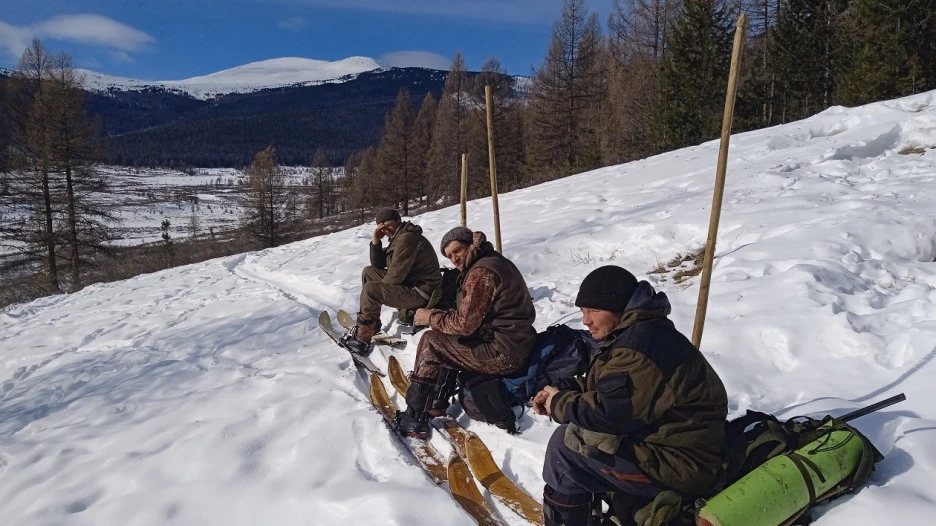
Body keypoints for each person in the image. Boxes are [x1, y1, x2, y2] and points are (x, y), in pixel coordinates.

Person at [533, 265, 728, 526]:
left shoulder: (640, 346)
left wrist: (559, 402)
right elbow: (615, 390)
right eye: (583, 311)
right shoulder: (639, 333)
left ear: (618, 308)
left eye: (594, 310)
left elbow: (610, 414)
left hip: (682, 464)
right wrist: (565, 391)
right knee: (580, 434)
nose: (586, 320)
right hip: (668, 446)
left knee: (566, 447)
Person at [396, 226, 537, 439]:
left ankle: (414, 418)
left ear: (471, 245)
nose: (455, 258)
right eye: (450, 256)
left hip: (504, 354)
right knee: (448, 336)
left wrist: (430, 317)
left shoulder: (481, 273)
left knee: (431, 341)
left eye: (457, 251)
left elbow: (464, 325)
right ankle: (436, 402)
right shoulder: (493, 261)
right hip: (516, 343)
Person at [340, 208, 441, 355]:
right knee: (369, 272)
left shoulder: (406, 238)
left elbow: (395, 277)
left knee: (371, 289)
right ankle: (372, 325)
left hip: (422, 293)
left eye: (386, 223)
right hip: (411, 285)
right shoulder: (399, 237)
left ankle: (361, 340)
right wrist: (375, 241)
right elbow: (377, 267)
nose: (383, 228)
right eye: (380, 225)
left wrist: (376, 292)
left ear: (397, 221)